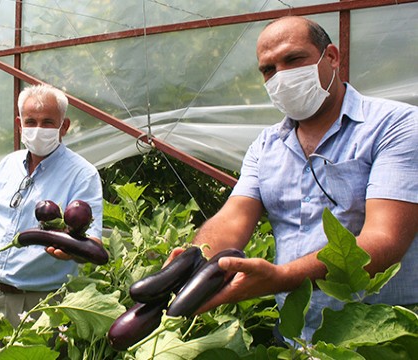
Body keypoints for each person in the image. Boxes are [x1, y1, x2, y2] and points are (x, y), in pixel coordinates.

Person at [169, 16, 417, 341]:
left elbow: (384, 241)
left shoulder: (396, 126)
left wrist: (283, 277)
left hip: (380, 336)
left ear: (331, 56)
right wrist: (196, 257)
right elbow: (233, 219)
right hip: (295, 335)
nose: (281, 76)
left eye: (293, 59)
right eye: (268, 69)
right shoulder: (266, 146)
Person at [0, 84, 103, 359]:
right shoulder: (7, 165)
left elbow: (93, 244)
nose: (38, 128)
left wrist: (72, 250)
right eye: (31, 121)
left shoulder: (82, 175)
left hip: (40, 304)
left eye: (48, 122)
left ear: (64, 126)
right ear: (19, 124)